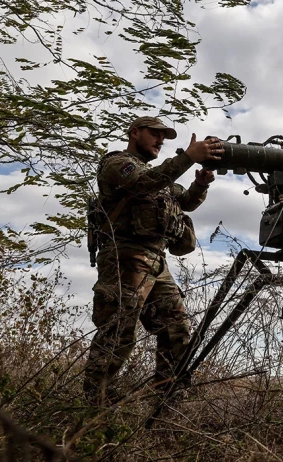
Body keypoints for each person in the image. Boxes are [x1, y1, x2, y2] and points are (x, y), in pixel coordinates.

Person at [83, 116, 224, 406]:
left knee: (177, 329)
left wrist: (199, 184)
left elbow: (185, 202)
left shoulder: (158, 176)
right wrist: (187, 157)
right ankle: (93, 404)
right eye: (155, 134)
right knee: (118, 332)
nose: (160, 141)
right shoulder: (118, 165)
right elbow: (144, 183)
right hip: (126, 258)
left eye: (164, 137)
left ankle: (168, 401)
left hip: (156, 261)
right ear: (135, 133)